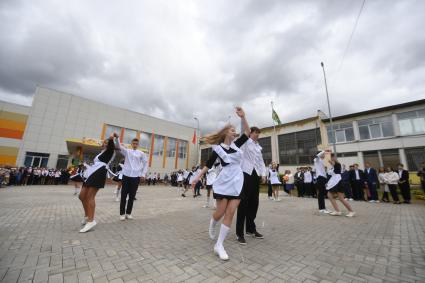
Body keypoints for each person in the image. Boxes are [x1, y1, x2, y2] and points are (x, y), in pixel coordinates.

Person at [191, 106, 250, 261]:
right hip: (224, 181)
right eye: (232, 130)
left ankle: (219, 245)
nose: (234, 132)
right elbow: (208, 164)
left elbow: (247, 133)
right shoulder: (218, 149)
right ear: (225, 133)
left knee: (230, 212)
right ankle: (213, 222)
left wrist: (243, 117)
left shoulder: (237, 145)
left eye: (234, 130)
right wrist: (197, 177)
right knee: (220, 212)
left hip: (238, 181)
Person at [79, 133, 119, 233]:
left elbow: (111, 145)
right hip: (92, 172)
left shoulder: (110, 151)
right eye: (104, 142)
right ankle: (87, 215)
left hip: (99, 173)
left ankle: (91, 221)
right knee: (82, 196)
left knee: (89, 197)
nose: (105, 143)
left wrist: (112, 138)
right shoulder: (101, 153)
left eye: (107, 142)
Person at [236, 126, 267, 245]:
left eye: (258, 134)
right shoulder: (245, 143)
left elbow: (261, 162)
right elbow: (245, 128)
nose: (257, 136)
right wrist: (243, 117)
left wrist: (263, 174)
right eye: (255, 133)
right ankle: (239, 234)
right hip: (245, 174)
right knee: (243, 204)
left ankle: (250, 229)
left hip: (255, 175)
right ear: (250, 133)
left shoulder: (258, 147)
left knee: (254, 203)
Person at [117, 138, 148, 221]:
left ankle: (128, 213)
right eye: (133, 143)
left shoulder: (141, 153)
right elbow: (119, 146)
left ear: (138, 145)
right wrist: (117, 138)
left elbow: (145, 163)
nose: (135, 145)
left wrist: (143, 174)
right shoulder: (127, 151)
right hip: (126, 176)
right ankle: (122, 214)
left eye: (136, 144)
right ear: (131, 144)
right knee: (123, 195)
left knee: (132, 196)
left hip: (136, 177)